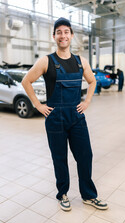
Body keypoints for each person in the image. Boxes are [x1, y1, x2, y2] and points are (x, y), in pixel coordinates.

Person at [22, 17, 108, 211]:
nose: (63, 36)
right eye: (59, 32)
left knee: (85, 156)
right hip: (55, 119)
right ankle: (62, 194)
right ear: (54, 36)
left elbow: (92, 81)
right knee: (59, 158)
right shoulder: (46, 61)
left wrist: (87, 102)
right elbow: (26, 81)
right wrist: (38, 105)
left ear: (71, 35)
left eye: (66, 32)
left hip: (76, 118)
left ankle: (88, 195)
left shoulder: (80, 62)